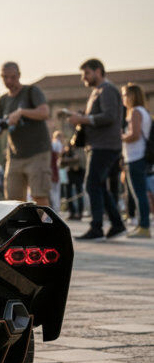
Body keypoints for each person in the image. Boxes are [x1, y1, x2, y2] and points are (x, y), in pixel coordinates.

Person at [63, 59, 125, 240]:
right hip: (98, 145)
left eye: (86, 73)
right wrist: (82, 117)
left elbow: (110, 116)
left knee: (92, 184)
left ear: (98, 71)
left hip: (105, 146)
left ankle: (97, 227)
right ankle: (117, 224)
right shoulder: (96, 92)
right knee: (97, 185)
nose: (84, 78)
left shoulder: (107, 90)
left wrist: (82, 120)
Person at [0, 62, 52, 206]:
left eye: (12, 77)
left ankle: (47, 227)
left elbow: (45, 112)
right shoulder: (2, 100)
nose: (9, 81)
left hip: (38, 153)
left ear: (19, 75)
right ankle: (21, 228)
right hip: (15, 156)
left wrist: (21, 112)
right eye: (5, 77)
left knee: (39, 196)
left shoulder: (31, 92)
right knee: (13, 201)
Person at [120, 83, 151, 238]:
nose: (123, 98)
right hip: (137, 157)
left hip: (136, 157)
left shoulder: (135, 112)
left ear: (131, 96)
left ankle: (144, 226)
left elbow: (135, 135)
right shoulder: (142, 111)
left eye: (124, 95)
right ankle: (142, 225)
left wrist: (120, 136)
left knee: (139, 193)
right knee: (140, 193)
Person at [60, 143, 85, 220]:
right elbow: (61, 162)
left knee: (79, 193)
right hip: (70, 174)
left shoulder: (80, 149)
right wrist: (71, 159)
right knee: (68, 194)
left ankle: (79, 213)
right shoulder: (68, 150)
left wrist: (70, 160)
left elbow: (79, 159)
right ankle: (72, 212)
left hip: (79, 173)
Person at [50, 131, 65, 212]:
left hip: (51, 169)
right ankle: (55, 210)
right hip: (54, 169)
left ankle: (54, 209)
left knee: (52, 192)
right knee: (55, 192)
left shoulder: (52, 143)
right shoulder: (57, 144)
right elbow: (58, 157)